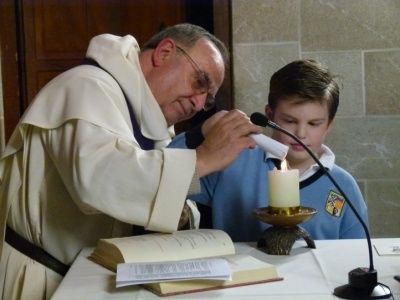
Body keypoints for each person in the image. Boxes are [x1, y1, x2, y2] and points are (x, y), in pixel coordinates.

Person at [0, 23, 261, 300]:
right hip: (43, 278)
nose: (198, 104)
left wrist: (182, 211)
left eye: (207, 100)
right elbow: (99, 180)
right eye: (199, 82)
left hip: (96, 279)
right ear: (165, 52)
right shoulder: (86, 87)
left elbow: (143, 192)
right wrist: (204, 158)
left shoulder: (150, 119)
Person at [169, 59, 369, 242]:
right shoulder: (230, 162)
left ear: (329, 125)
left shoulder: (343, 187)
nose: (300, 133)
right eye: (289, 121)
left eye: (314, 123)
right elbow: (164, 180)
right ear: (269, 116)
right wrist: (201, 131)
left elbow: (356, 257)